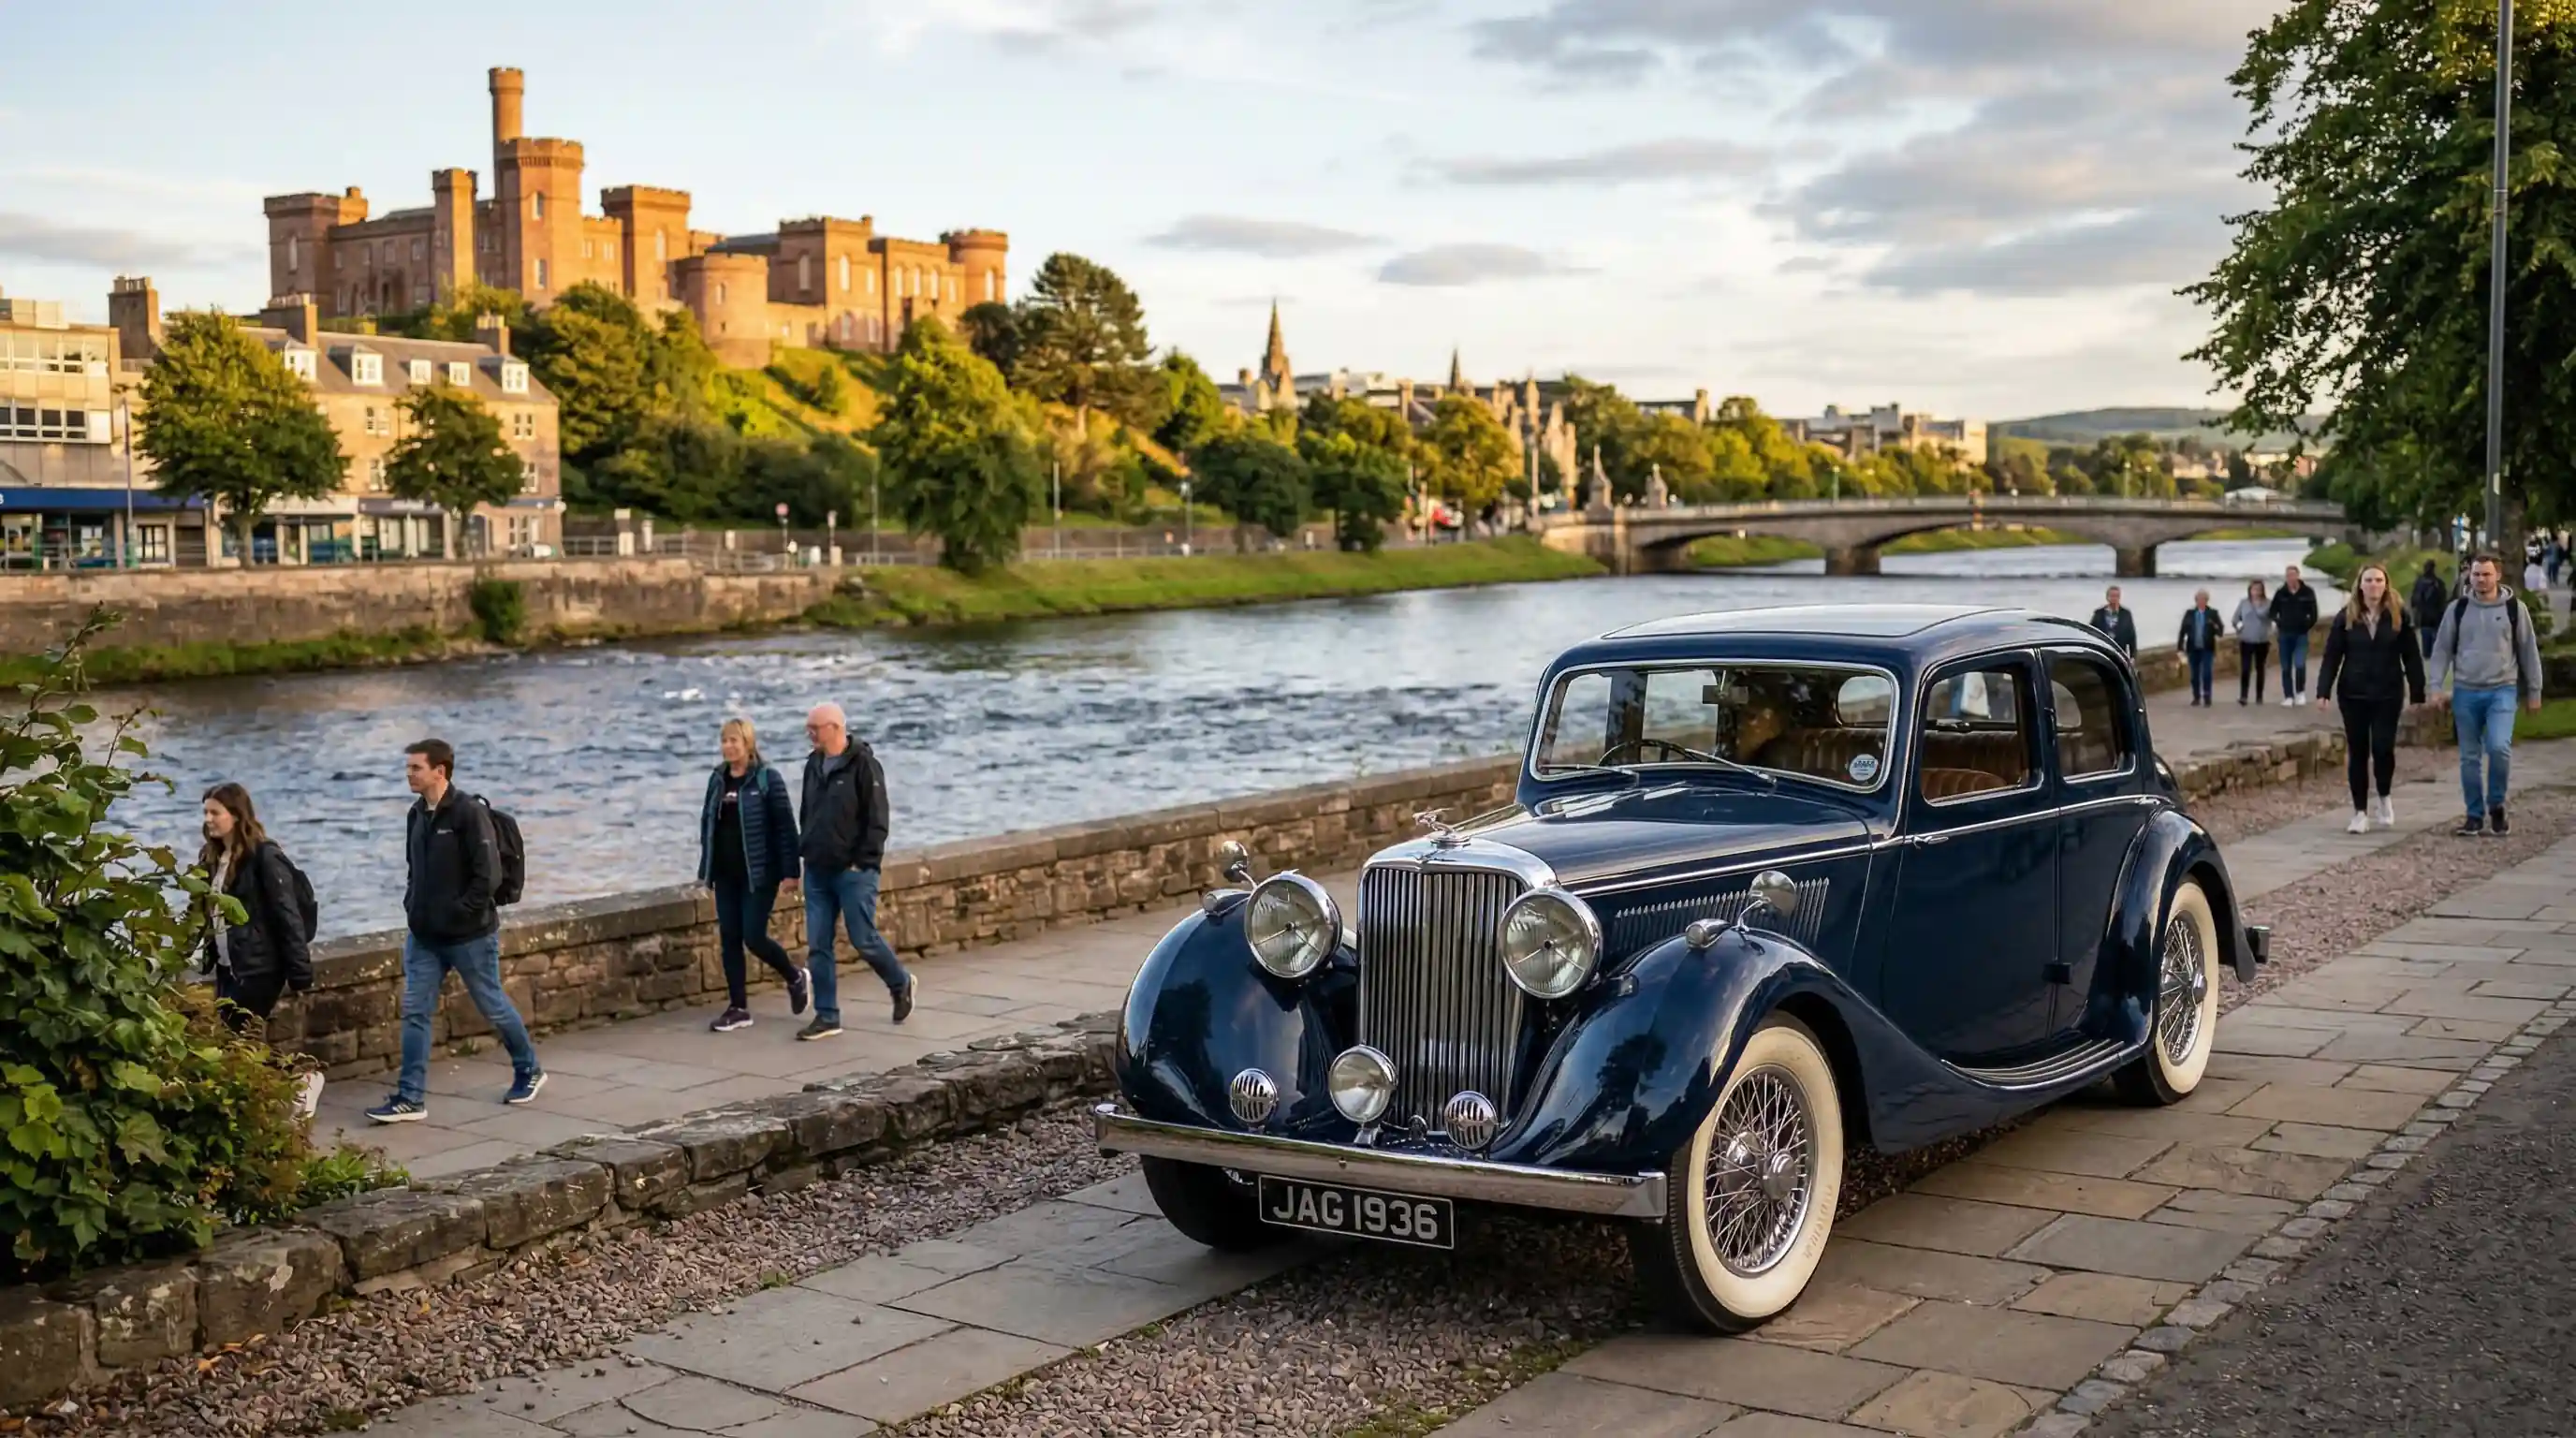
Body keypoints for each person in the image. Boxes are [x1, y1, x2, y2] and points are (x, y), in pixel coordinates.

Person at [368, 739, 544, 1123]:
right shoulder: (416, 815)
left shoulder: (468, 814)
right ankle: (410, 1098)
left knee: (492, 1005)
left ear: (439, 771)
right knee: (415, 1011)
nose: (409, 775)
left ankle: (529, 1069)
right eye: (408, 768)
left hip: (470, 936)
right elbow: (415, 869)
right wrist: (413, 905)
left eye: (416, 768)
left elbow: (489, 876)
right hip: (425, 937)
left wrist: (461, 913)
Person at [796, 702, 915, 1039]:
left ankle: (900, 982)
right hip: (817, 869)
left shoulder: (864, 765)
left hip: (853, 872)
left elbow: (878, 820)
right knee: (818, 944)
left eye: (814, 728)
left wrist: (861, 861)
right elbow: (806, 813)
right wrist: (801, 855)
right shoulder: (813, 765)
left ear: (834, 728)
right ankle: (827, 1016)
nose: (809, 734)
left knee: (863, 939)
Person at [699, 717, 810, 1033]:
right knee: (729, 939)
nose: (728, 746)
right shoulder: (717, 779)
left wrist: (791, 873)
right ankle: (738, 1008)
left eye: (734, 740)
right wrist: (706, 870)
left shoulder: (766, 779)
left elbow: (786, 829)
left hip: (759, 874)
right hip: (725, 874)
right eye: (724, 741)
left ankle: (794, 976)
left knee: (753, 936)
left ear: (748, 743)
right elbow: (708, 825)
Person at [2429, 553, 2546, 836]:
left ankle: (2496, 804)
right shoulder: (2457, 609)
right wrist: (2435, 686)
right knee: (2469, 757)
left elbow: (2529, 651)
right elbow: (2442, 649)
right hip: (2466, 691)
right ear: (2469, 576)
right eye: (2476, 574)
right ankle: (2474, 814)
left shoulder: (2514, 609)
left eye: (2486, 574)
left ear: (2498, 576)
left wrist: (2534, 691)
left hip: (2501, 690)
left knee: (2498, 747)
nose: (2481, 579)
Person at [2316, 564, 2425, 834]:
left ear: (2386, 584)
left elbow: (2411, 655)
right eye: (2369, 580)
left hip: (2388, 692)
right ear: (2360, 585)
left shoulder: (2399, 616)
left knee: (2382, 748)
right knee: (2358, 752)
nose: (2374, 585)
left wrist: (2418, 691)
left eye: (2379, 580)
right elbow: (2332, 656)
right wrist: (2323, 691)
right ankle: (2360, 812)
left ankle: (2385, 797)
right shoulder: (2347, 617)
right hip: (2353, 693)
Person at [196, 783, 313, 1035]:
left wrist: (300, 974)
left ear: (236, 815)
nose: (208, 820)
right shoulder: (210, 857)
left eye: (215, 813)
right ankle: (300, 1075)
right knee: (237, 1044)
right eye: (205, 813)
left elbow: (287, 914)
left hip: (259, 969)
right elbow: (200, 910)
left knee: (236, 1040)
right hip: (228, 967)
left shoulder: (264, 857)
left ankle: (301, 1075)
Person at [2268, 565, 2320, 707]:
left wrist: (2306, 625)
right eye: (2288, 575)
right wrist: (2279, 622)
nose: (2291, 578)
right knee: (2285, 667)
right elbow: (2272, 612)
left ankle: (2300, 693)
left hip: (2301, 634)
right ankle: (2288, 696)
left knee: (2299, 664)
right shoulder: (2281, 593)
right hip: (2284, 634)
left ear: (2298, 576)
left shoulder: (2307, 592)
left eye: (2293, 575)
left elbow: (2314, 613)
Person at [2177, 590, 2222, 706]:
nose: (2201, 602)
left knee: (2207, 673)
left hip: (2207, 648)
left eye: (2203, 599)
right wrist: (2180, 647)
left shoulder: (2213, 613)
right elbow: (2183, 631)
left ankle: (2207, 696)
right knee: (2194, 674)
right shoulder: (2190, 613)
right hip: (2193, 648)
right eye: (2199, 599)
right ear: (2196, 600)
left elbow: (2220, 632)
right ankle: (2196, 697)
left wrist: (2214, 626)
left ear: (2207, 601)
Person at [2233, 579, 2274, 705]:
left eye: (2259, 589)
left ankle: (2259, 696)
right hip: (2246, 640)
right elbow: (2235, 619)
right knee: (2245, 668)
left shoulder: (2268, 603)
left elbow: (2269, 618)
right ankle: (2243, 696)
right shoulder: (2243, 603)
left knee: (2260, 668)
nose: (2256, 592)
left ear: (2262, 591)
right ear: (2250, 590)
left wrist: (2256, 608)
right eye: (2254, 589)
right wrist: (2239, 628)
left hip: (2262, 640)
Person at [2408, 560, 2450, 659]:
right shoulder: (2439, 583)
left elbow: (2414, 599)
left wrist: (2414, 609)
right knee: (2435, 635)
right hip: (2436, 614)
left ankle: (2427, 653)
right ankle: (2434, 652)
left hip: (2424, 615)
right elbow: (2443, 598)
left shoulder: (2419, 582)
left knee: (2425, 634)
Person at [2088, 585, 2139, 658]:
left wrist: (2133, 656)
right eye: (2112, 596)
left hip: (2120, 654)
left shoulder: (2126, 614)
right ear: (2107, 597)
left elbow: (2132, 636)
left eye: (2117, 596)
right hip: (2102, 653)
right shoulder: (2099, 613)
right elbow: (2091, 633)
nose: (2114, 598)